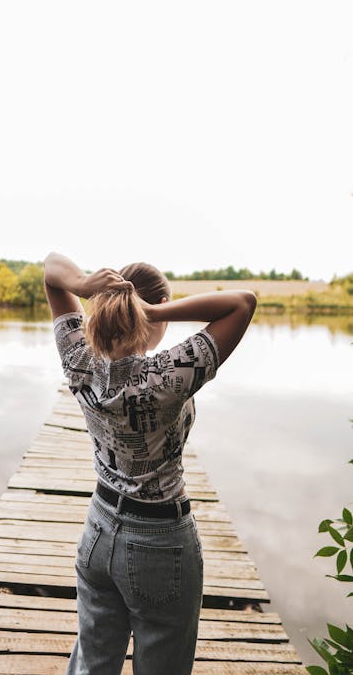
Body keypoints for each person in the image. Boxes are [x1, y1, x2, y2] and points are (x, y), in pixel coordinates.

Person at [43, 251, 257, 675]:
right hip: (161, 541)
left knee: (92, 663)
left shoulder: (78, 359)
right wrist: (156, 310)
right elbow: (242, 303)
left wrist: (84, 284)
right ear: (151, 319)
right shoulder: (168, 375)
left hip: (99, 528)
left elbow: (52, 268)